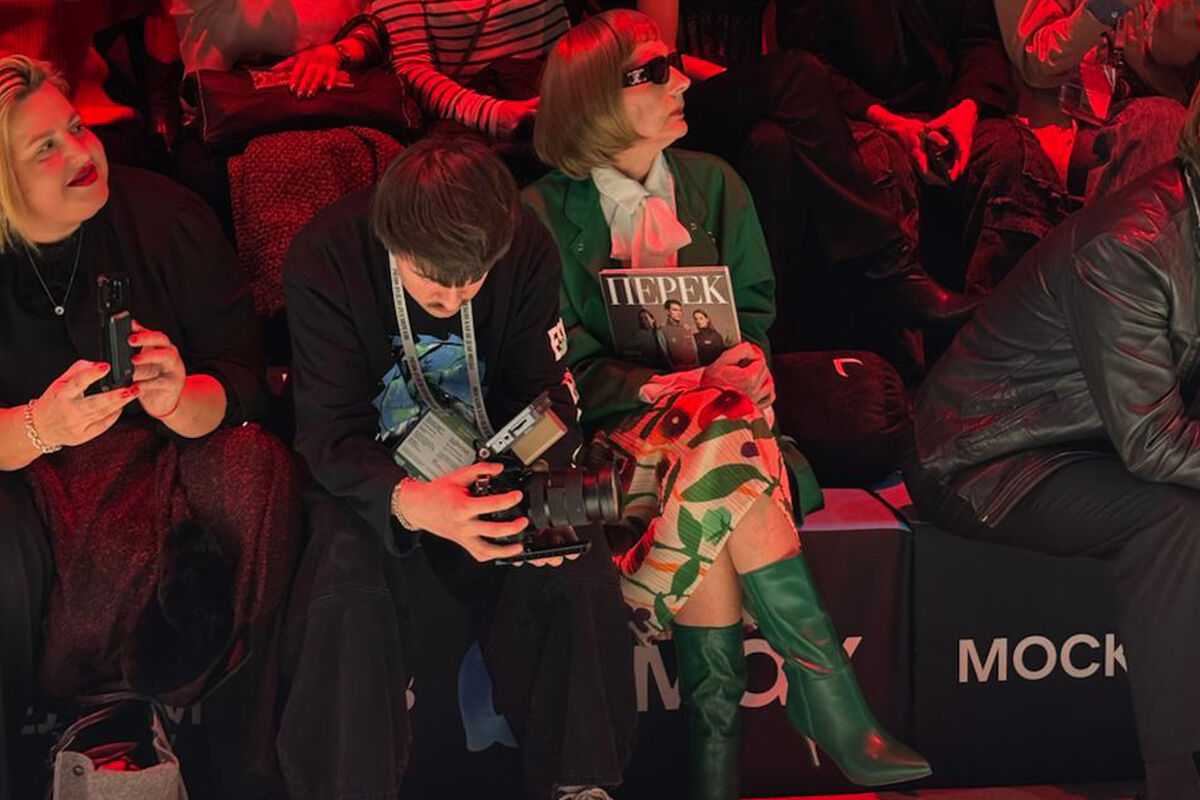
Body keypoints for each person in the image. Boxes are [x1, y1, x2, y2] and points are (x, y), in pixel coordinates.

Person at [524, 11, 932, 800]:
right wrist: (650, 387)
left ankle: (729, 765)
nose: (681, 81)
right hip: (617, 450)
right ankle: (830, 702)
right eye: (654, 72)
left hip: (725, 434)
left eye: (673, 64)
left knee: (719, 437)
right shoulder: (541, 213)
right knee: (721, 449)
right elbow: (552, 367)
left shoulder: (716, 184)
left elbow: (756, 318)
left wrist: (750, 366)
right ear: (595, 97)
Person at [281, 136, 635, 800]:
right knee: (346, 581)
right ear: (392, 241)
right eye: (433, 277)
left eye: (471, 279)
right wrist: (411, 501)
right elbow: (327, 431)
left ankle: (580, 784)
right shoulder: (326, 254)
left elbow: (544, 393)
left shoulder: (525, 244)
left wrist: (534, 490)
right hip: (372, 473)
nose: (452, 293)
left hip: (493, 461)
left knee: (574, 560)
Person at [0, 55, 300, 800]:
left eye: (77, 127)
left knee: (255, 464)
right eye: (45, 147)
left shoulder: (164, 216)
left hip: (164, 468)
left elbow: (244, 379)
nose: (81, 151)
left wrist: (180, 396)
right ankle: (78, 721)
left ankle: (223, 734)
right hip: (35, 489)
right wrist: (40, 426)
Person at [904, 84, 1200, 800]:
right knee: (1174, 517)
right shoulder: (1130, 248)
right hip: (983, 456)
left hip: (1091, 438)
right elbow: (1156, 446)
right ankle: (1179, 777)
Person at [776, 0, 1065, 298]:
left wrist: (967, 108)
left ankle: (997, 318)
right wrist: (884, 118)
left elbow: (980, 41)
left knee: (1014, 158)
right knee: (879, 168)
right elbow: (807, 62)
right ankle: (898, 324)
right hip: (856, 115)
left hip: (950, 109)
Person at [995, 0, 1189, 203]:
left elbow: (1175, 84)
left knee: (1169, 122)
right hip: (1058, 135)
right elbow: (1035, 62)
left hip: (1128, 123)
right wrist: (1108, 7)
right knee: (1159, 119)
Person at [658, 298, 699, 366]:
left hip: (693, 369)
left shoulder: (686, 329)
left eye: (680, 310)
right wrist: (673, 369)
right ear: (667, 312)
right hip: (676, 370)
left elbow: (695, 352)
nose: (679, 313)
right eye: (675, 310)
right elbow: (664, 354)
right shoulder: (662, 330)